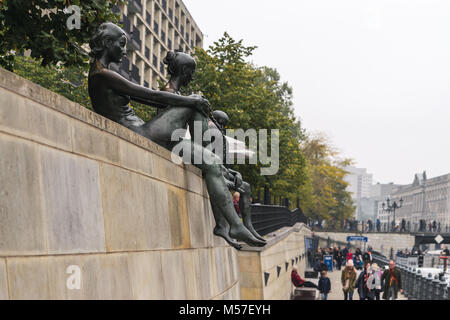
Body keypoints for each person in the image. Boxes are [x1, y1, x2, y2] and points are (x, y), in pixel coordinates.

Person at [87, 23, 266, 249]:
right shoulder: (102, 75)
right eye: (121, 44)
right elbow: (147, 93)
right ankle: (232, 221)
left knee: (203, 137)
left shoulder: (105, 74)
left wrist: (190, 101)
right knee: (195, 105)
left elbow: (154, 99)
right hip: (139, 133)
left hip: (143, 129)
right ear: (106, 43)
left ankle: (226, 217)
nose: (125, 50)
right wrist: (192, 101)